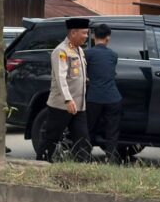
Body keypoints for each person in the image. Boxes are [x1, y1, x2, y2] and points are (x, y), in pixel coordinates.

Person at [39, 18, 91, 163]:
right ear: (73, 33)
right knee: (51, 138)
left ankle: (83, 167)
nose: (86, 36)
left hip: (79, 105)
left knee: (83, 139)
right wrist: (68, 99)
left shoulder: (79, 50)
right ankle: (41, 163)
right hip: (61, 105)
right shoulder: (61, 51)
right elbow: (61, 77)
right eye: (84, 33)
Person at [84, 24, 122, 163]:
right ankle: (111, 159)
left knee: (88, 129)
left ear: (93, 37)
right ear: (108, 38)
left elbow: (84, 74)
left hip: (94, 98)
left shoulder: (87, 54)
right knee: (112, 132)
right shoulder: (113, 55)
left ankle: (85, 157)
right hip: (113, 98)